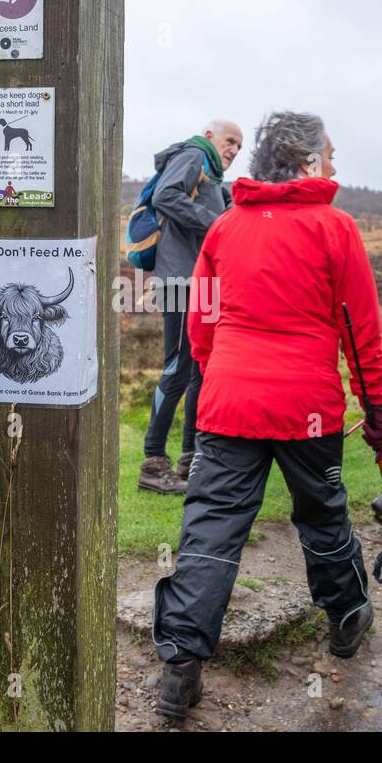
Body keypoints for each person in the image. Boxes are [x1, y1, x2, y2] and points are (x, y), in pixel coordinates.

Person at [151, 111, 382, 721]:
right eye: (330, 154)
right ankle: (347, 617)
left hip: (229, 400)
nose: (334, 166)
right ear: (309, 161)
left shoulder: (226, 227)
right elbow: (360, 332)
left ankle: (181, 663)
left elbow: (201, 324)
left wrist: (223, 369)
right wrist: (377, 412)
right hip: (307, 407)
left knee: (211, 525)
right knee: (321, 512)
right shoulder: (336, 229)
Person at [138, 120, 243, 494]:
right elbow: (166, 195)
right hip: (181, 281)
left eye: (239, 147)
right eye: (230, 141)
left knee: (201, 370)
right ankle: (153, 464)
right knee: (178, 368)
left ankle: (190, 461)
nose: (234, 149)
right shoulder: (195, 154)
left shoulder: (212, 176)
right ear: (212, 135)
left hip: (200, 281)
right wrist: (218, 224)